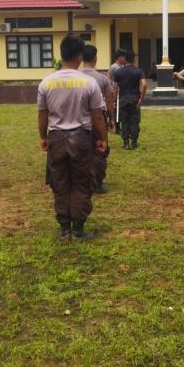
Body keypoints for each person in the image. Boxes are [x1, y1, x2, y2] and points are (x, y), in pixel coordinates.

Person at [38, 35, 108, 241]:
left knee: (59, 183)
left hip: (56, 138)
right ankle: (78, 229)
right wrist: (102, 138)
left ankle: (64, 228)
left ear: (62, 54)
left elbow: (42, 114)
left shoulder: (46, 83)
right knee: (81, 183)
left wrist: (43, 137)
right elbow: (97, 115)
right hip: (81, 139)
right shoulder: (89, 83)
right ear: (79, 57)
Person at [81, 44, 116, 193]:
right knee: (100, 148)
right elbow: (109, 102)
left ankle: (82, 182)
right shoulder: (102, 78)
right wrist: (112, 119)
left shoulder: (76, 77)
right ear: (95, 59)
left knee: (82, 151)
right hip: (98, 118)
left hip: (79, 118)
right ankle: (98, 183)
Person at [113, 50, 147, 150]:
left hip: (123, 99)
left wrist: (114, 100)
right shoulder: (138, 71)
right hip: (134, 98)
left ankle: (125, 143)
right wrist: (141, 98)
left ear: (125, 59)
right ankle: (134, 142)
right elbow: (144, 85)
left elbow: (115, 88)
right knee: (134, 121)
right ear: (134, 59)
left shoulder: (118, 72)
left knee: (124, 121)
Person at [108, 49, 126, 135]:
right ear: (119, 57)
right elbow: (109, 78)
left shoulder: (123, 67)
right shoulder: (114, 67)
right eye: (123, 57)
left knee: (121, 110)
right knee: (116, 110)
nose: (124, 58)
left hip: (122, 92)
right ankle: (117, 127)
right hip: (116, 92)